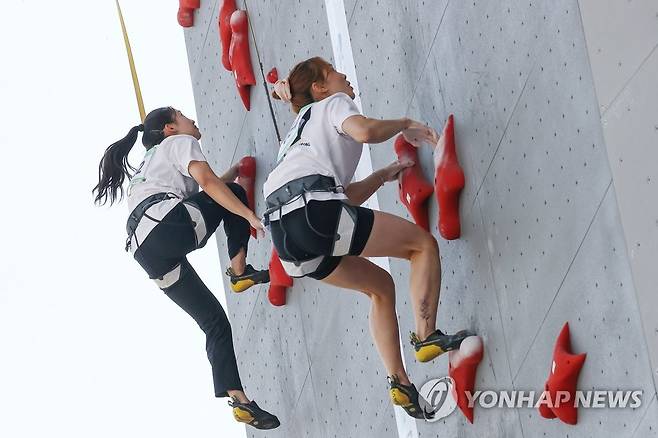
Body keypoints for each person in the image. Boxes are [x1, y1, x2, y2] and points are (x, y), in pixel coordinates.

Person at [265, 57, 473, 419]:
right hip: (312, 209)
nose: (344, 76)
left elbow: (340, 202)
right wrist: (405, 124)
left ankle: (401, 383)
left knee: (380, 287)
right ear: (320, 88)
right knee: (421, 246)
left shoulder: (295, 136)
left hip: (285, 237)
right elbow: (363, 131)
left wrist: (383, 174)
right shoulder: (333, 104)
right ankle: (426, 336)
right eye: (334, 72)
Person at [92, 106, 279, 430]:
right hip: (165, 225)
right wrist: (248, 214)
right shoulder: (179, 143)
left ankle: (240, 401)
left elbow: (201, 194)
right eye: (182, 115)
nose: (191, 119)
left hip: (147, 249)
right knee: (231, 195)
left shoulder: (148, 166)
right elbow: (208, 185)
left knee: (214, 321)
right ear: (169, 128)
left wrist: (233, 171)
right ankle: (239, 271)